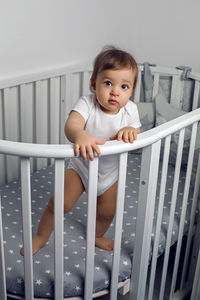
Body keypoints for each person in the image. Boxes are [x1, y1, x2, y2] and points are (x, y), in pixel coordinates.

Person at [21, 46, 141, 255]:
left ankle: (95, 235)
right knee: (59, 203)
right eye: (108, 83)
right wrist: (80, 134)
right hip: (81, 167)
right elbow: (72, 125)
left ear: (131, 91)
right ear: (94, 84)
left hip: (110, 174)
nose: (115, 91)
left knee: (106, 212)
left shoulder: (130, 111)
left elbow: (135, 139)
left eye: (124, 86)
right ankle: (41, 236)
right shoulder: (87, 103)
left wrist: (132, 132)